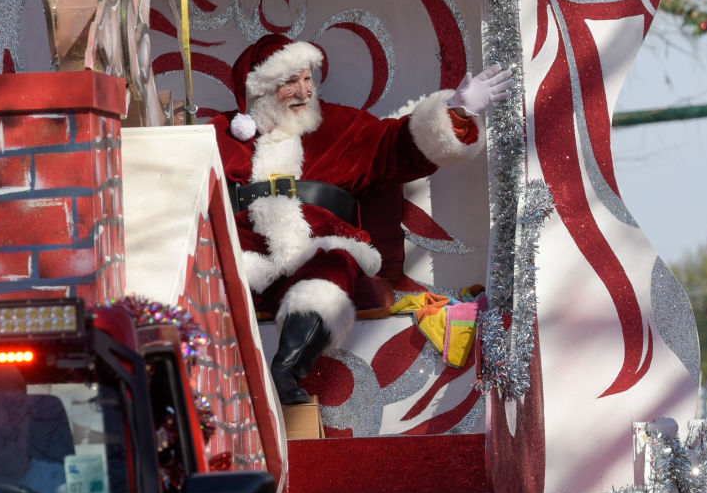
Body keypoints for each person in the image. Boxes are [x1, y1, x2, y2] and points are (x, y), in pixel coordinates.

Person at [214, 34, 512, 403]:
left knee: (335, 263)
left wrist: (456, 111)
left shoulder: (341, 127)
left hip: (314, 255)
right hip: (249, 256)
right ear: (260, 89)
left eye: (308, 78)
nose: (304, 91)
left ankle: (285, 372)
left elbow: (398, 146)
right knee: (214, 267)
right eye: (290, 81)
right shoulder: (221, 135)